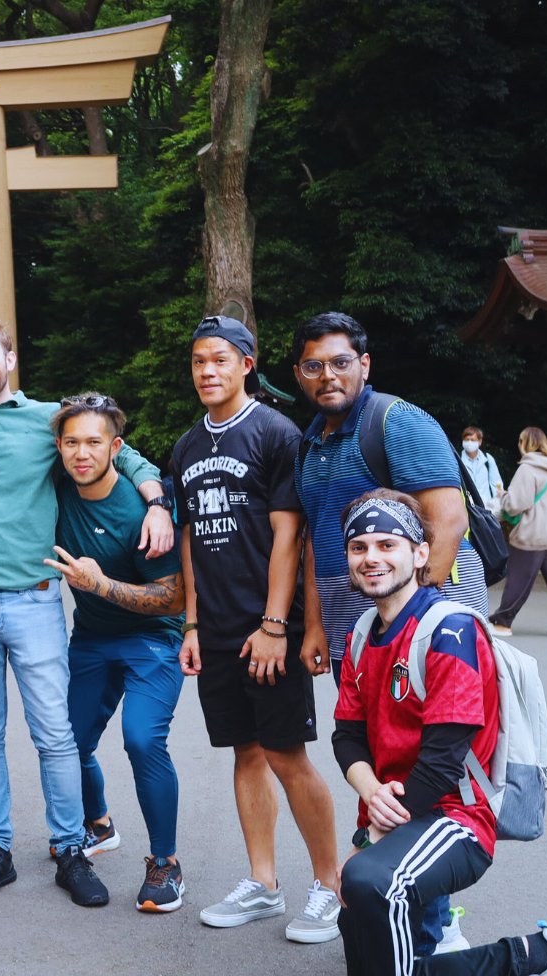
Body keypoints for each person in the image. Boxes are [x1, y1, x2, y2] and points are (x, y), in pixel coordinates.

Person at [331, 489, 547, 976]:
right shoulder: (357, 634)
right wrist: (370, 790)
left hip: (455, 818)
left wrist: (373, 832)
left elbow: (443, 764)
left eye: (387, 544)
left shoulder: (450, 631)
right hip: (394, 810)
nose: (371, 557)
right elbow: (345, 737)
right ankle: (546, 954)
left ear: (420, 553)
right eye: (358, 547)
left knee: (372, 881)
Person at [0, 316, 174, 907]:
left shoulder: (48, 422)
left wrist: (158, 503)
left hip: (33, 602)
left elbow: (123, 452)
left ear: (9, 358)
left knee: (56, 735)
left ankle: (71, 850)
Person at [291, 311, 487, 952]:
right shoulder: (313, 438)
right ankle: (395, 894)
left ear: (364, 365)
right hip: (358, 615)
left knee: (434, 758)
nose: (328, 375)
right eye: (314, 366)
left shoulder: (397, 421)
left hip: (426, 613)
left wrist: (410, 616)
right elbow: (322, 540)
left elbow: (447, 518)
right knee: (376, 745)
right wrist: (317, 623)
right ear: (299, 374)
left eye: (340, 362)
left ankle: (436, 914)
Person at [173, 315, 342, 943]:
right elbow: (189, 538)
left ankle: (331, 887)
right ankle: (264, 883)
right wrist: (190, 622)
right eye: (197, 361)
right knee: (245, 750)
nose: (207, 371)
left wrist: (277, 626)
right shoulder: (188, 446)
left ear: (247, 364)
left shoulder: (276, 433)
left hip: (268, 627)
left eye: (220, 359)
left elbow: (290, 536)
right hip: (214, 629)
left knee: (286, 753)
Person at [41, 394, 189, 912]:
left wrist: (102, 586)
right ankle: (98, 825)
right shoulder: (56, 484)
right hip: (91, 640)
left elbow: (173, 597)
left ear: (115, 448)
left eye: (95, 443)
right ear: (59, 447)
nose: (83, 453)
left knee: (142, 739)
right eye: (72, 442)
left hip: (153, 637)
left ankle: (166, 864)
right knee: (66, 742)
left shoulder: (141, 510)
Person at [489, 427, 547, 640]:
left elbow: (516, 504)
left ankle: (503, 623)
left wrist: (504, 496)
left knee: (518, 578)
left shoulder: (527, 469)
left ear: (524, 444)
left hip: (532, 534)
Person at [457, 427, 504, 514]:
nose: (469, 442)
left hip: (487, 508)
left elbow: (496, 484)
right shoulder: (458, 459)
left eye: (472, 440)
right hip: (465, 508)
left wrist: (497, 506)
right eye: (467, 439)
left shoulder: (487, 459)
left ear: (480, 442)